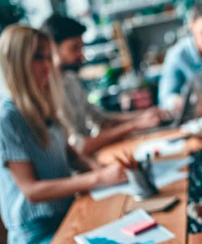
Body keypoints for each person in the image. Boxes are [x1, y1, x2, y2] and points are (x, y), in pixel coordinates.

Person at [0, 25, 127, 244]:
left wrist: (100, 169)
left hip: (66, 217)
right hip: (37, 236)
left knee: (124, 231)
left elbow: (70, 154)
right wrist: (98, 178)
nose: (48, 65)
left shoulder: (44, 103)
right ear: (18, 62)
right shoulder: (4, 118)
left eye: (47, 56)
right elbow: (32, 191)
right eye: (38, 57)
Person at [41, 15, 161, 156]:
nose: (82, 56)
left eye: (81, 47)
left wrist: (143, 115)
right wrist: (133, 125)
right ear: (52, 48)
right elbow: (79, 147)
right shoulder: (48, 92)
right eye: (74, 48)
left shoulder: (71, 79)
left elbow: (99, 118)